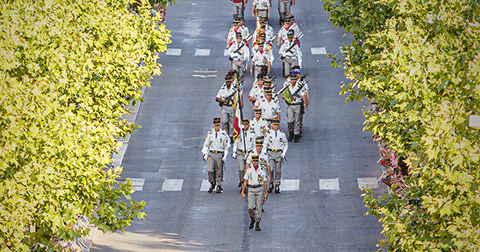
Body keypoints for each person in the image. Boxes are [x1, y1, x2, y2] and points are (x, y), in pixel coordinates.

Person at [202, 117, 231, 193]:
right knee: (210, 170)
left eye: (218, 125)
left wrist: (225, 153)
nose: (217, 127)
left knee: (219, 170)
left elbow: (227, 142)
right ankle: (212, 183)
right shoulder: (210, 133)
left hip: (219, 153)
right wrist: (205, 153)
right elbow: (206, 144)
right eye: (215, 125)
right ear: (213, 125)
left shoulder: (223, 133)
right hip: (211, 153)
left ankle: (218, 184)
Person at [241, 154, 268, 231]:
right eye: (254, 161)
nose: (255, 163)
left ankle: (257, 223)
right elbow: (245, 181)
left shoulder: (262, 170)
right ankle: (252, 219)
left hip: (259, 189)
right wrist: (243, 191)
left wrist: (266, 192)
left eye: (256, 161)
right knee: (250, 207)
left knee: (259, 207)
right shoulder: (249, 170)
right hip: (251, 189)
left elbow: (264, 182)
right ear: (252, 162)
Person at [263, 118, 288, 193]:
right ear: (271, 125)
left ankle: (277, 185)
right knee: (270, 169)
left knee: (278, 170)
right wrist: (264, 153)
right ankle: (271, 183)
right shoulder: (268, 133)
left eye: (277, 124)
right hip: (270, 153)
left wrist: (283, 153)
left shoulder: (282, 134)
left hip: (278, 153)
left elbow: (286, 144)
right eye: (274, 124)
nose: (275, 126)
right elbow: (265, 144)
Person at [281, 70, 307, 142]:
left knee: (297, 120)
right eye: (292, 79)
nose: (293, 81)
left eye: (294, 79)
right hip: (290, 104)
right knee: (290, 120)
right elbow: (283, 95)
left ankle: (296, 135)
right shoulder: (287, 85)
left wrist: (305, 104)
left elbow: (303, 94)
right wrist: (288, 97)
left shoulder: (299, 85)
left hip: (297, 104)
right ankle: (291, 132)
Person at [232, 119, 256, 188]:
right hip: (241, 152)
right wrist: (234, 152)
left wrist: (252, 153)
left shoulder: (252, 133)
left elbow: (254, 145)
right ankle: (242, 182)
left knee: (248, 169)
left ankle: (248, 182)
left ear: (249, 125)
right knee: (241, 169)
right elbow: (236, 143)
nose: (245, 126)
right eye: (244, 124)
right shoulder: (239, 133)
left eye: (246, 124)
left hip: (249, 153)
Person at [216, 75, 237, 141]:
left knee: (231, 122)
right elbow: (217, 98)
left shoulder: (234, 89)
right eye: (226, 81)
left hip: (232, 107)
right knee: (224, 121)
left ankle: (230, 136)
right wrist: (224, 101)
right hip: (224, 107)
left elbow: (237, 98)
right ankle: (225, 134)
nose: (228, 83)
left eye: (229, 82)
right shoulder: (223, 89)